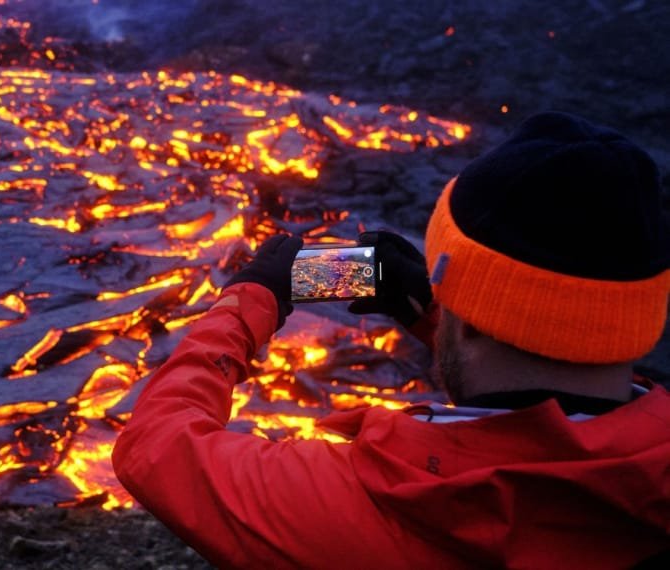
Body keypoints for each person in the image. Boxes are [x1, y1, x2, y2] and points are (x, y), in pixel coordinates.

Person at [111, 112, 670, 568]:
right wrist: (435, 317)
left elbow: (155, 445)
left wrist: (250, 301)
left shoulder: (362, 507)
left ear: (471, 311)